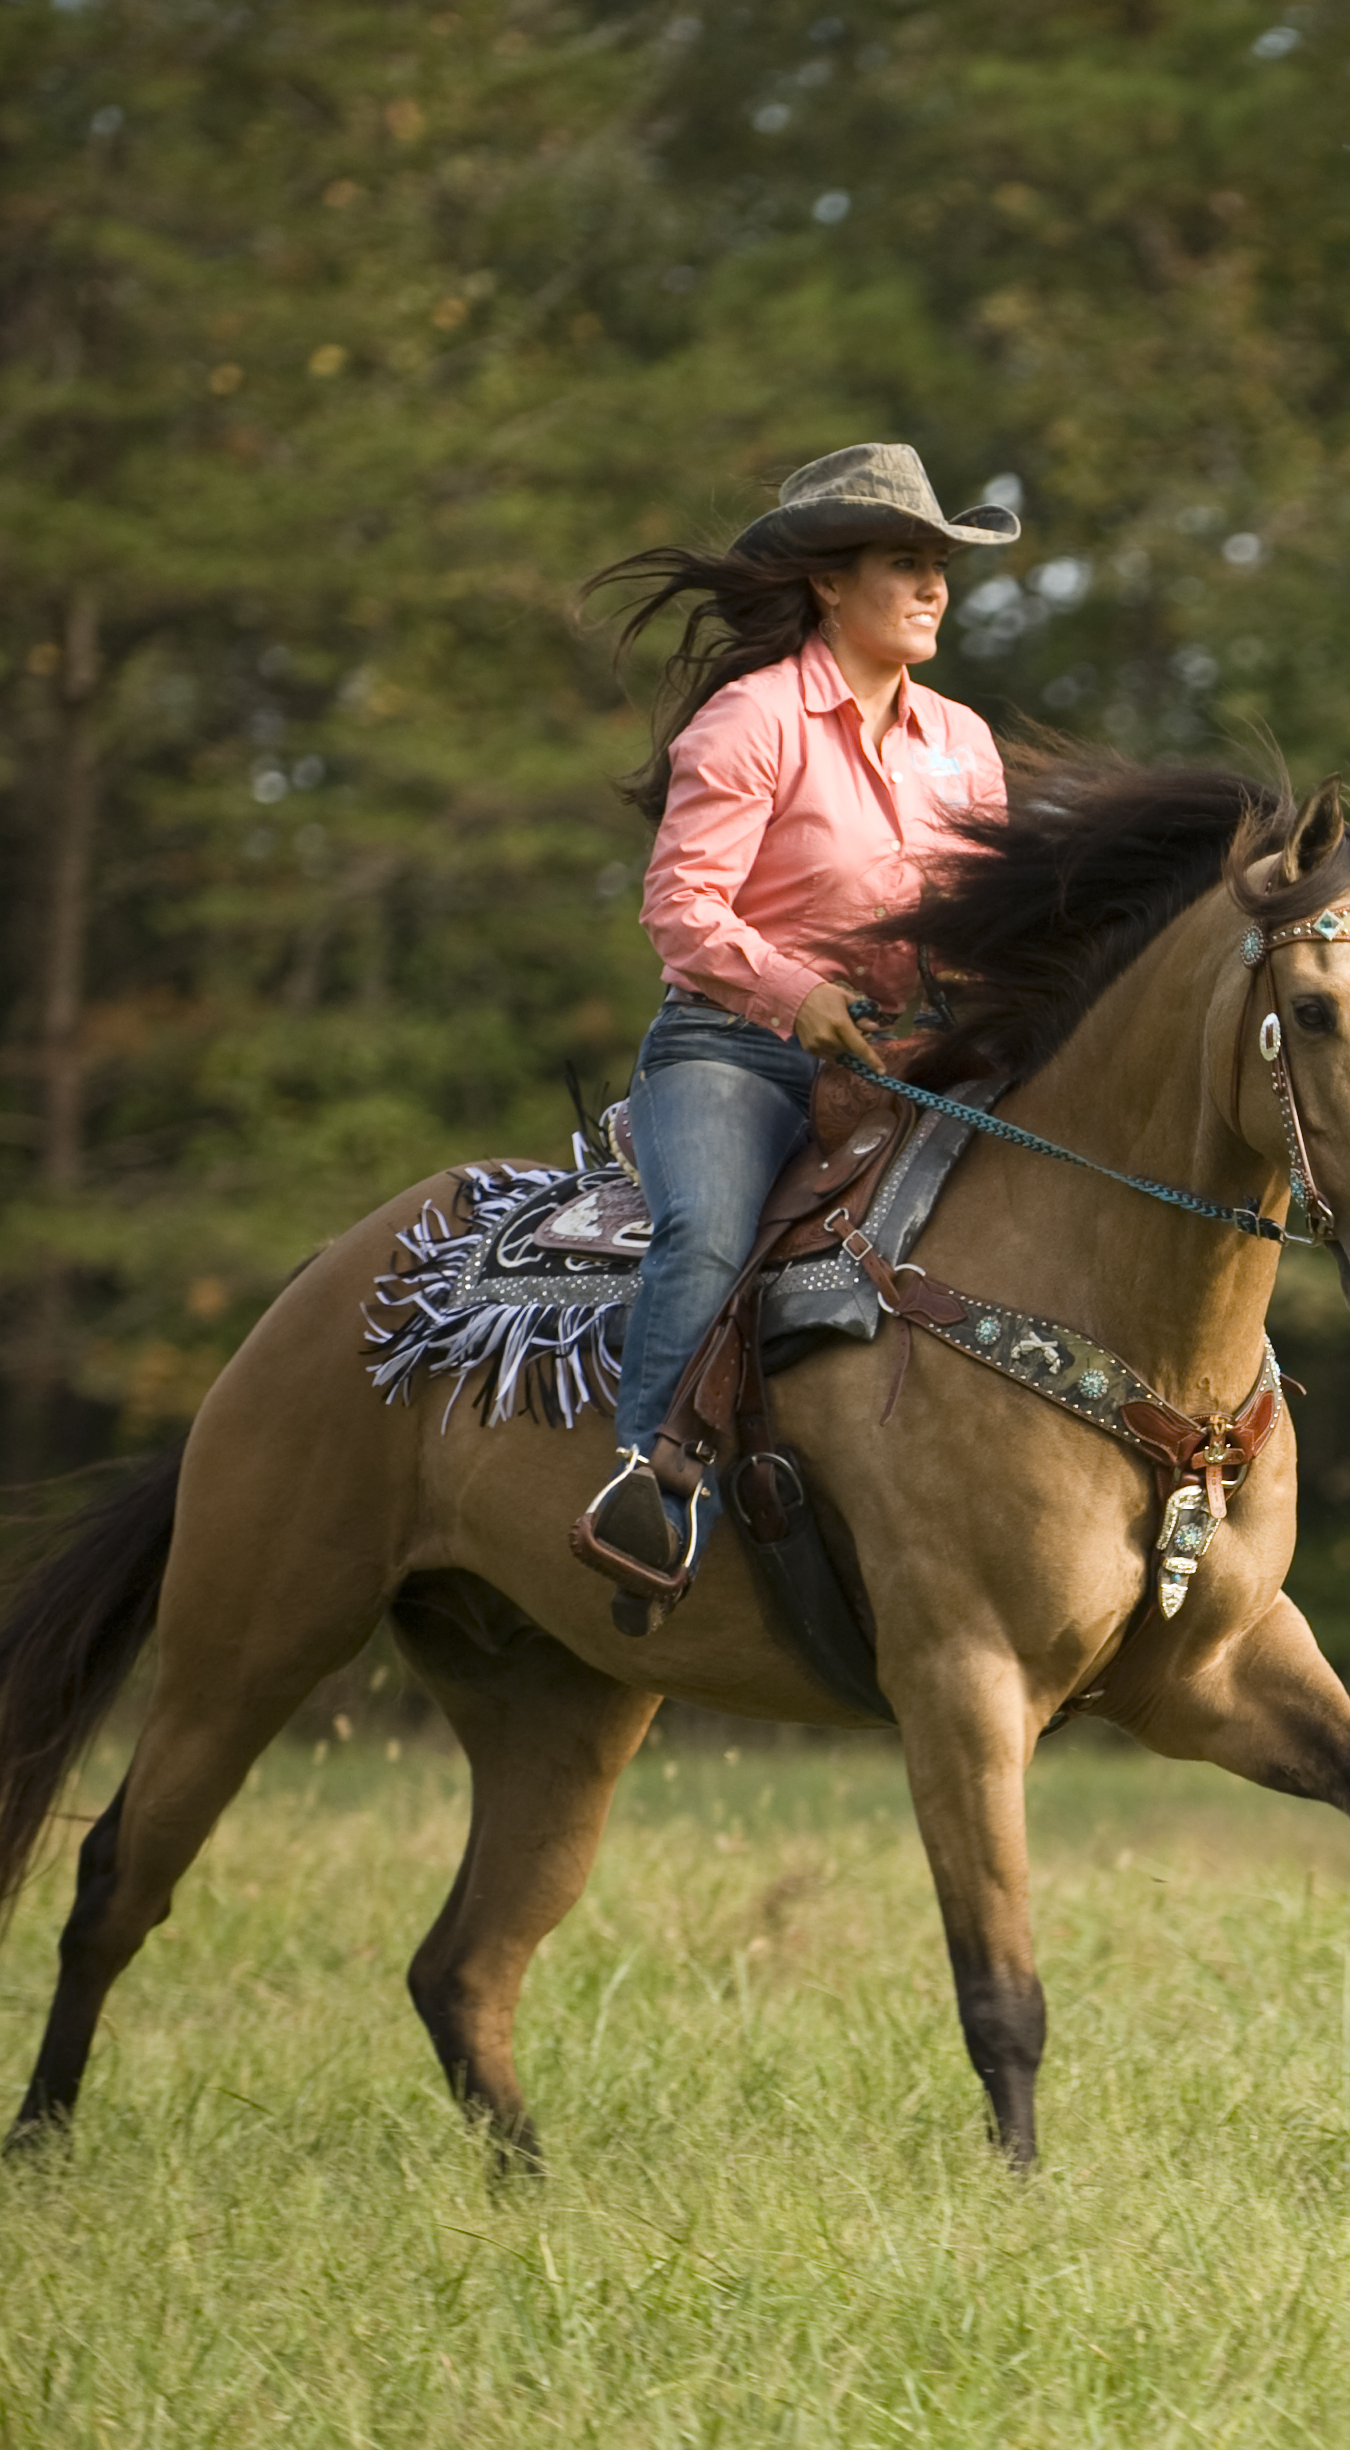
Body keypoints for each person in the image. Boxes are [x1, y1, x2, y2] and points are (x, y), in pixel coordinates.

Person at [570, 443, 1016, 1626]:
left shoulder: (964, 744)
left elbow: (978, 926)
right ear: (829, 582)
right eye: (904, 564)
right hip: (732, 1052)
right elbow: (680, 911)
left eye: (939, 569)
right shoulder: (751, 719)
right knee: (710, 1237)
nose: (933, 590)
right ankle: (645, 1492)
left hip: (912, 1062)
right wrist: (794, 992)